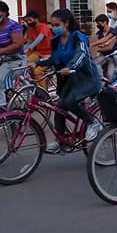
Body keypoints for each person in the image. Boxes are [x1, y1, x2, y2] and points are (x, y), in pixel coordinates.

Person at [36, 9, 102, 151]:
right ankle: (61, 141)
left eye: (56, 25)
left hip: (86, 78)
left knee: (69, 102)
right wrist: (38, 63)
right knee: (59, 108)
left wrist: (71, 67)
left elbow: (82, 53)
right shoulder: (55, 41)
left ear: (66, 23)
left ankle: (92, 122)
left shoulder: (78, 37)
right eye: (51, 25)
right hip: (69, 79)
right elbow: (55, 59)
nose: (53, 28)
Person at [23, 10, 53, 89]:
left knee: (37, 71)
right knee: (25, 64)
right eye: (27, 21)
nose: (28, 22)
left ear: (36, 19)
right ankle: (36, 88)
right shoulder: (30, 29)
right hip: (38, 53)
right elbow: (29, 42)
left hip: (49, 54)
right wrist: (21, 50)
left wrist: (29, 48)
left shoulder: (43, 27)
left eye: (30, 20)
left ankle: (44, 93)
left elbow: (39, 38)